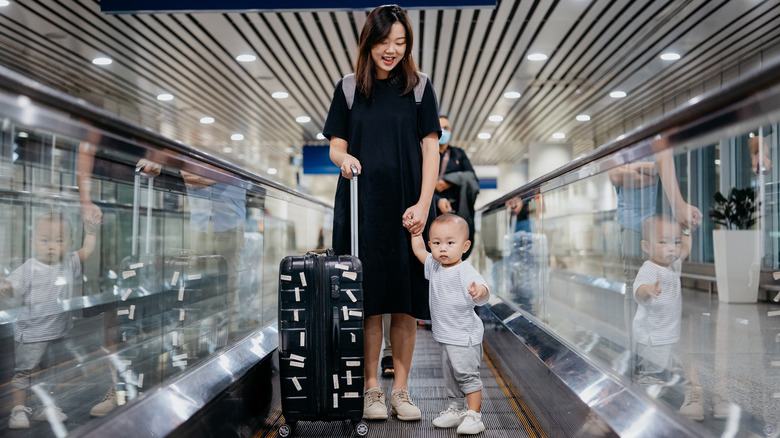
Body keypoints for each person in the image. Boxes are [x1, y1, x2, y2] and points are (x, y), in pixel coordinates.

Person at [323, 4, 440, 422]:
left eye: (400, 42)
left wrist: (424, 204)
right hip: (361, 206)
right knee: (368, 301)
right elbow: (336, 144)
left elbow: (430, 147)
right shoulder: (351, 87)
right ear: (368, 42)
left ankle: (402, 391)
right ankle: (371, 389)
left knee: (405, 302)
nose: (391, 50)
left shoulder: (420, 87)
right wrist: (344, 159)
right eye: (383, 41)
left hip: (408, 206)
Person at [1, 212, 99, 429]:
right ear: (33, 242)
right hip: (32, 333)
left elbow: (87, 250)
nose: (52, 246)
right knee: (25, 371)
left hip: (57, 331)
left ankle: (46, 406)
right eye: (45, 240)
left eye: (59, 240)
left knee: (50, 371)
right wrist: (6, 288)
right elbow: (13, 286)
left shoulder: (69, 261)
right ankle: (18, 409)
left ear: (70, 244)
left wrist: (91, 232)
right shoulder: (29, 267)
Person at [406, 213, 490, 435]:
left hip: (464, 336)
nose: (442, 248)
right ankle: (455, 408)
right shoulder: (434, 266)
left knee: (467, 375)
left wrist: (478, 291)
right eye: (436, 243)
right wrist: (416, 233)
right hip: (445, 336)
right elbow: (419, 251)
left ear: (465, 246)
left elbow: (483, 290)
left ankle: (474, 415)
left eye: (450, 243)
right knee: (451, 376)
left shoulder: (465, 271)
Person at [632, 214, 702, 420]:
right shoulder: (649, 268)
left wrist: (687, 229)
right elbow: (638, 290)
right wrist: (649, 290)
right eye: (664, 242)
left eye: (675, 241)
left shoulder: (673, 265)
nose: (672, 247)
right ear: (646, 246)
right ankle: (645, 407)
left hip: (669, 334)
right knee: (652, 375)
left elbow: (686, 248)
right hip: (652, 336)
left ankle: (661, 404)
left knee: (665, 372)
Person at [435, 116, 479, 259]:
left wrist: (448, 180)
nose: (443, 131)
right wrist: (437, 201)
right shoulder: (426, 153)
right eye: (439, 127)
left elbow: (472, 178)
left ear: (451, 131)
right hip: (433, 210)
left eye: (446, 128)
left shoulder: (459, 153)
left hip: (457, 211)